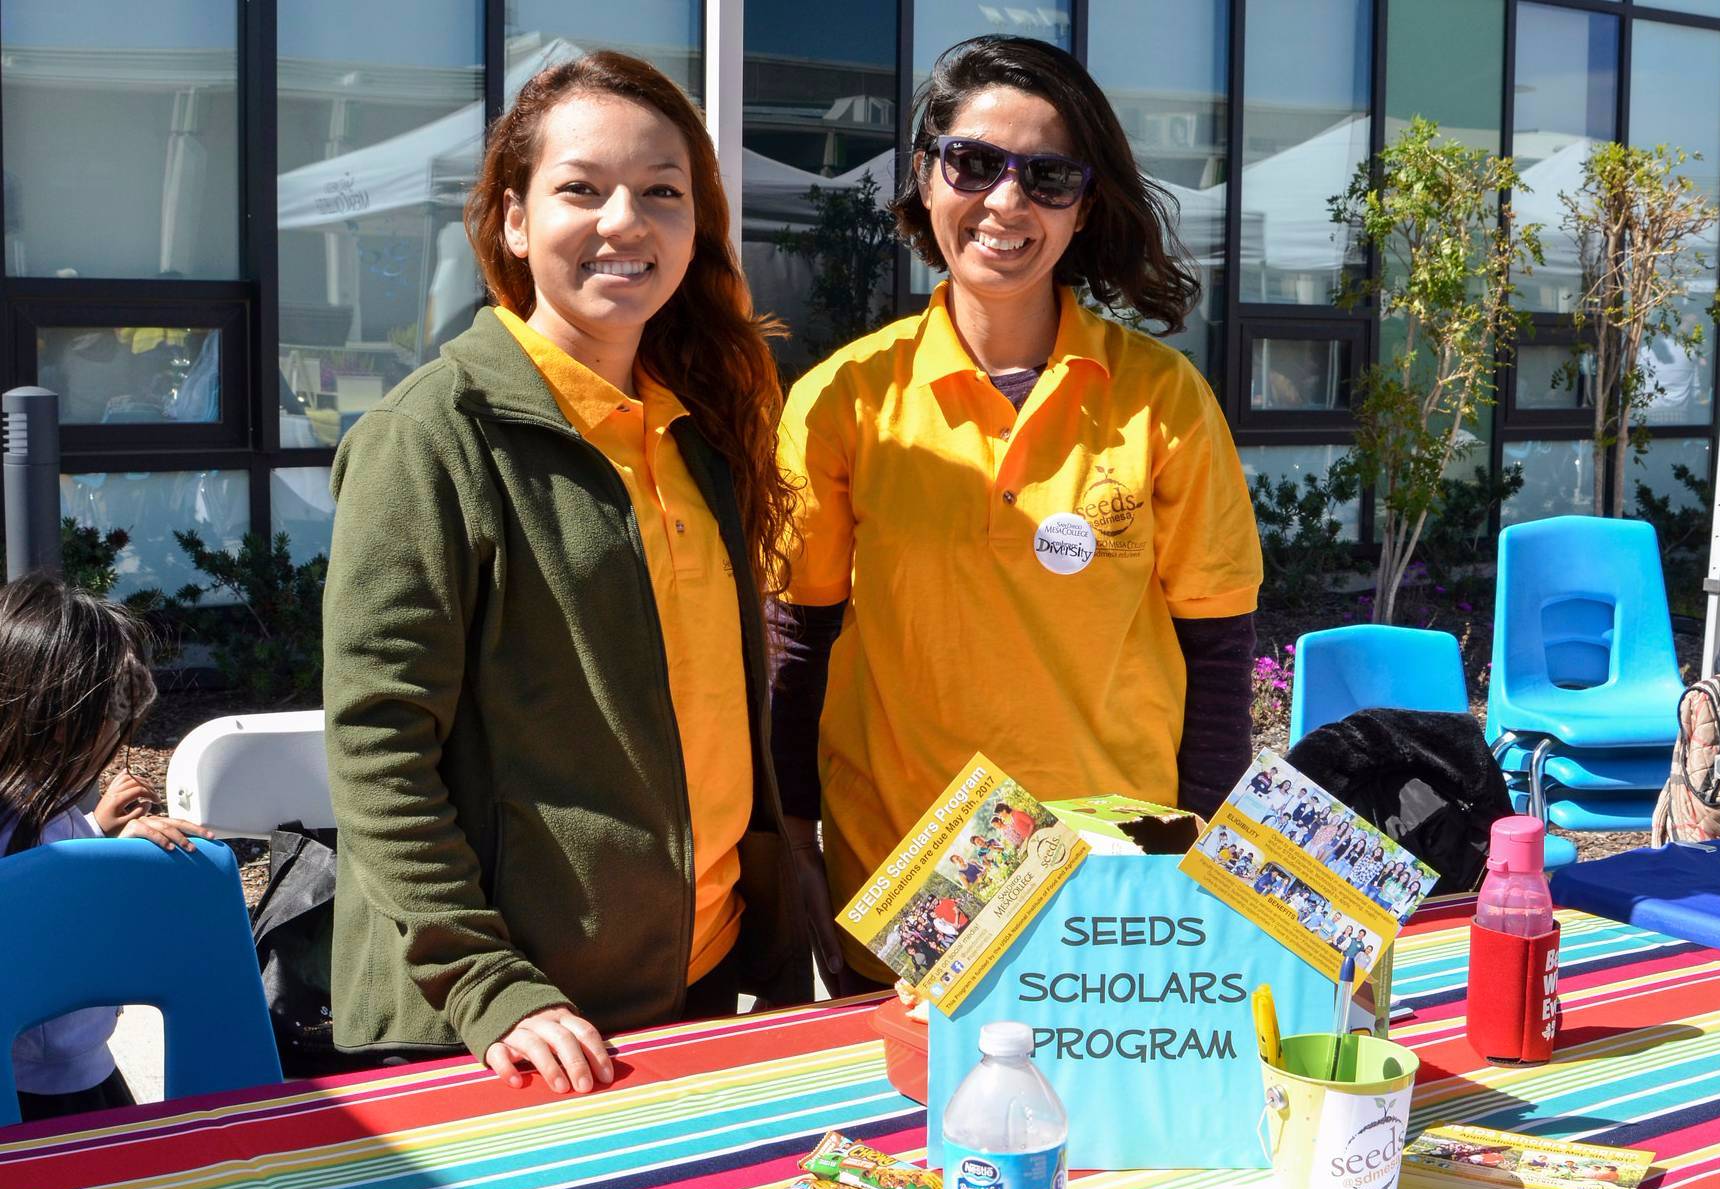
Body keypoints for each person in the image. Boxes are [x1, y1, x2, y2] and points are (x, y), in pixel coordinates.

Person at [322, 50, 810, 1093]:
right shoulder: (432, 435)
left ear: (695, 227)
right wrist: (488, 981)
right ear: (511, 218)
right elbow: (376, 742)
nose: (624, 221)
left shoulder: (696, 432)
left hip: (696, 974)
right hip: (511, 1023)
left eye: (661, 193)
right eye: (581, 188)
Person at [769, 35, 1261, 992]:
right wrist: (793, 846)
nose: (1005, 203)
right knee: (915, 1138)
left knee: (1114, 1142)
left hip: (1114, 878)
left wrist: (1199, 865)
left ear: (1084, 207)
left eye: (1046, 176)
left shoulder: (1161, 398)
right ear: (924, 175)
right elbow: (799, 642)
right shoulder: (844, 400)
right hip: (909, 877)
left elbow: (1216, 652)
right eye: (975, 163)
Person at [0, 574, 214, 1121]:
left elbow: (45, 867)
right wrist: (116, 867)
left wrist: (99, 833)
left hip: (69, 1065)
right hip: (45, 1087)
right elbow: (50, 903)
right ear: (55, 725)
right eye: (112, 723)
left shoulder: (36, 807)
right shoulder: (26, 817)